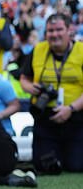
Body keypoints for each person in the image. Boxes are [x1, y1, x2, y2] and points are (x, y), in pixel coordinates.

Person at [19, 13, 83, 173]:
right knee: (44, 166)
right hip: (44, 116)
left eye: (59, 29)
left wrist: (71, 109)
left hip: (76, 117)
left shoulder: (81, 51)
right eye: (50, 31)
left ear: (70, 30)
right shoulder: (38, 50)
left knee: (76, 166)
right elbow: (24, 78)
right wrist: (30, 88)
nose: (54, 34)